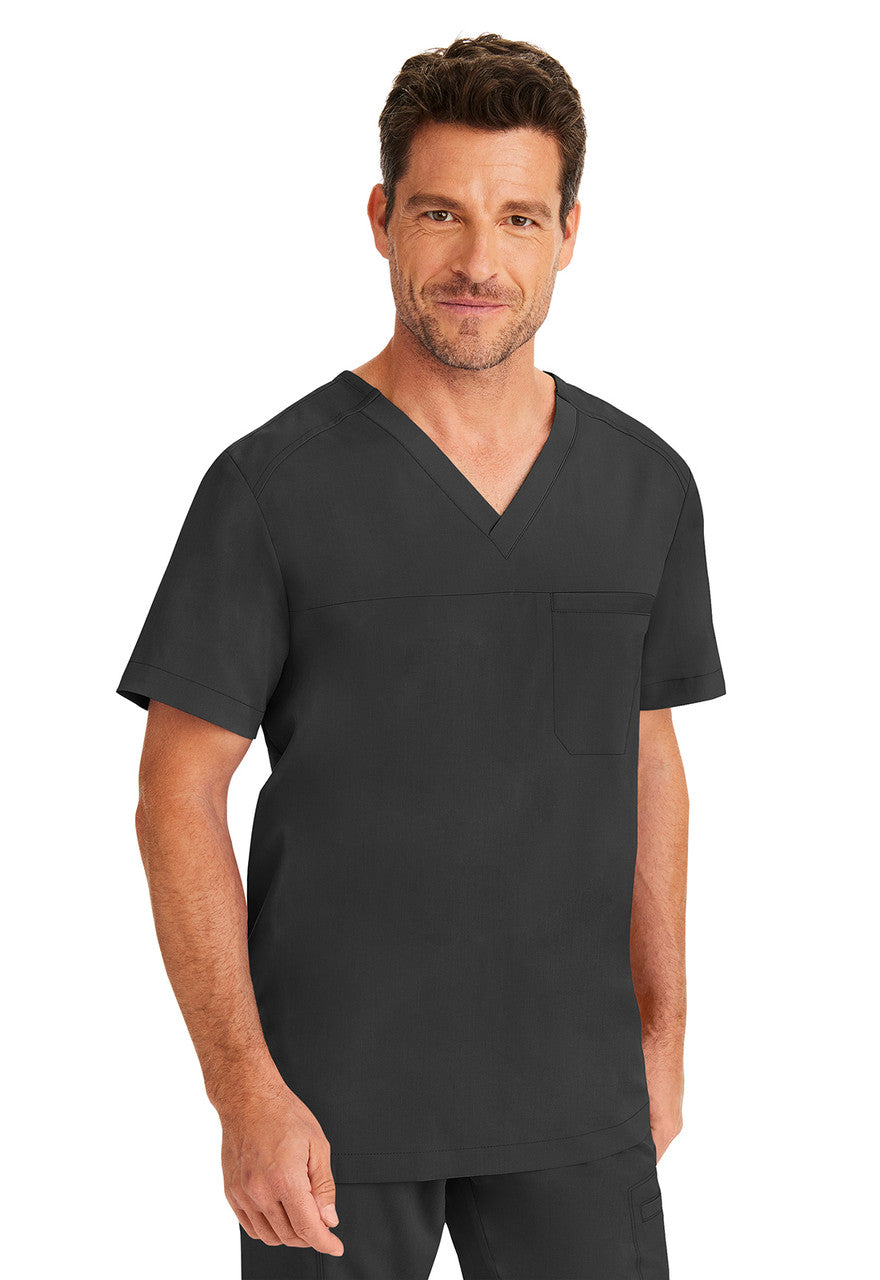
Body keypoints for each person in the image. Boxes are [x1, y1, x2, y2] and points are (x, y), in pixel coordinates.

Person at [116, 32, 726, 1280]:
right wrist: (245, 1089)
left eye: (518, 218)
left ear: (568, 234)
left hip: (574, 1101)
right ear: (382, 218)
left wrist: (663, 1035)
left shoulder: (645, 487)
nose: (477, 261)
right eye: (441, 212)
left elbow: (648, 759)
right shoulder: (268, 489)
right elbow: (176, 790)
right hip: (328, 1109)